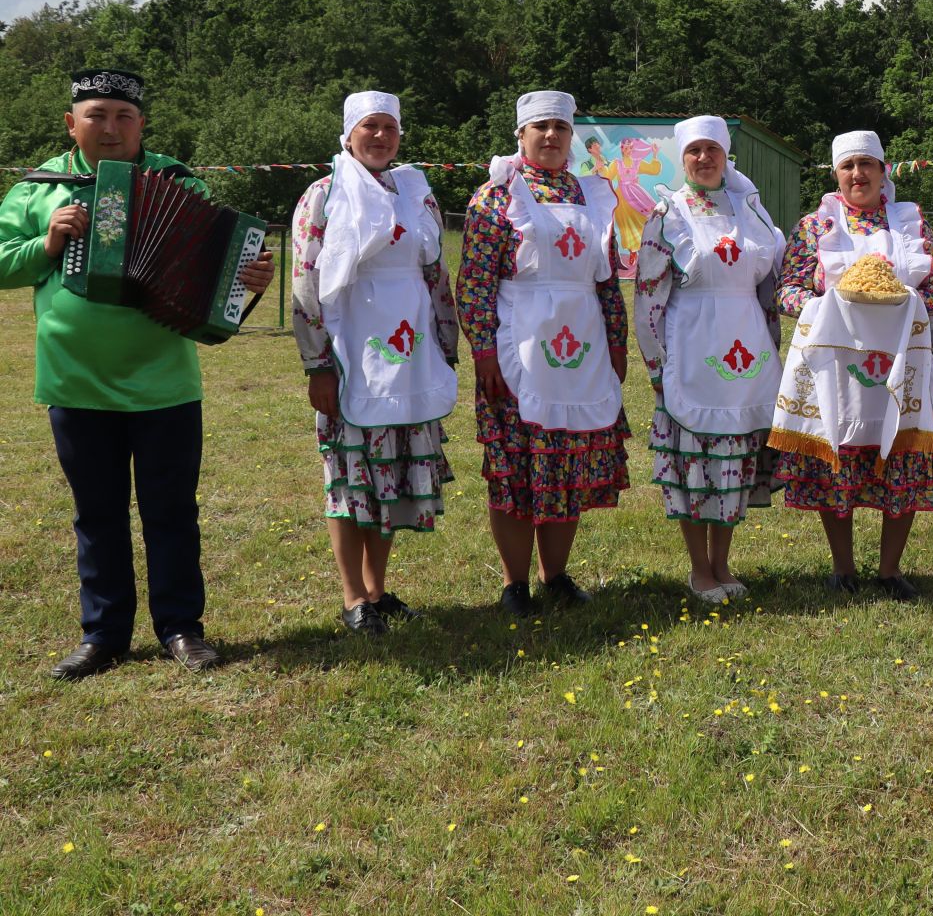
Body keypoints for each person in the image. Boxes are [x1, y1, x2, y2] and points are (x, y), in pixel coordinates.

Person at [0, 68, 273, 678]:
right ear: (71, 123)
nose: (111, 127)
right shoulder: (37, 189)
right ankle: (104, 636)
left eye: (124, 116)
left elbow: (220, 265)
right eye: (96, 115)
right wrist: (44, 246)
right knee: (96, 514)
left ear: (142, 124)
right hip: (75, 382)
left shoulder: (177, 181)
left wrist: (248, 280)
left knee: (171, 510)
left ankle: (181, 628)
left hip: (164, 383)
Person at [767, 131, 933, 599]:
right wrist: (828, 304)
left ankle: (890, 568)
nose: (858, 174)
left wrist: (901, 299)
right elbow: (789, 289)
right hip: (837, 367)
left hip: (902, 361)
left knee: (902, 453)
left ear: (883, 170)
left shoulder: (910, 223)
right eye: (848, 166)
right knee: (839, 457)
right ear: (837, 173)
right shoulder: (816, 226)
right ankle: (843, 566)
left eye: (867, 165)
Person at [290, 91, 459, 635]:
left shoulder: (416, 194)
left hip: (409, 354)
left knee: (389, 480)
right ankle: (352, 595)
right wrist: (317, 363)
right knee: (350, 477)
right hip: (351, 351)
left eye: (390, 127)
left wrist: (445, 346)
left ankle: (378, 590)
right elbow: (306, 282)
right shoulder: (324, 195)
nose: (381, 136)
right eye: (371, 127)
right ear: (348, 134)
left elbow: (435, 276)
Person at [457, 90, 627, 615]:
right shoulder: (496, 195)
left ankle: (555, 576)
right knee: (515, 466)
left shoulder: (594, 195)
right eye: (540, 128)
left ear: (571, 135)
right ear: (521, 135)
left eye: (560, 127)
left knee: (567, 462)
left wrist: (617, 342)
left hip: (582, 345)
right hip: (518, 347)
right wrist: (484, 351)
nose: (551, 136)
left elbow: (607, 280)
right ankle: (515, 584)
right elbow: (475, 282)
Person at [634, 115, 784, 603]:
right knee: (695, 461)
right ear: (684, 158)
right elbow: (649, 293)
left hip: (744, 346)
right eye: (694, 151)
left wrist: (773, 343)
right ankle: (700, 569)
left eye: (712, 150)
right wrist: (655, 362)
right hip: (692, 343)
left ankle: (723, 563)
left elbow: (767, 285)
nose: (704, 159)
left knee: (733, 459)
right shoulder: (668, 213)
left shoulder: (751, 209)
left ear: (725, 154)